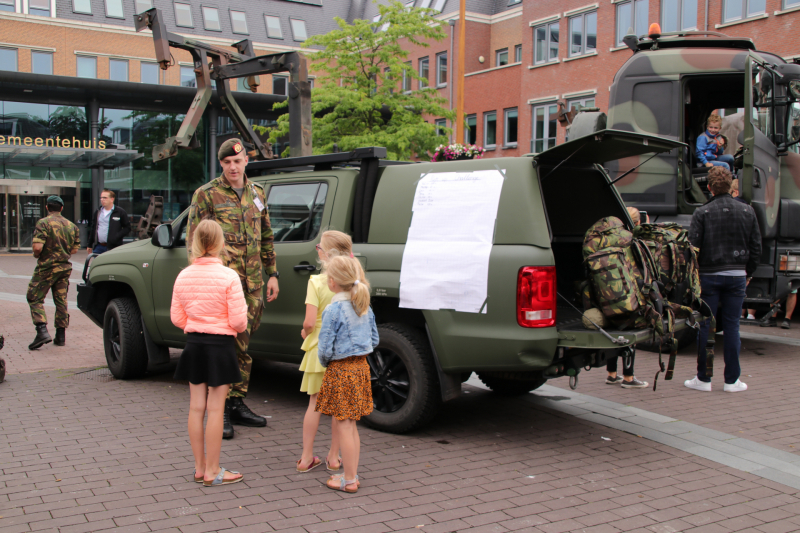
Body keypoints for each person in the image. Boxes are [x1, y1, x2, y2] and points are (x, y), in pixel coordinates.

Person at [186, 138, 279, 439]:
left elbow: (266, 235)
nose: (232, 167)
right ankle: (221, 409)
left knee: (244, 343)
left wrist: (273, 273)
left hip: (252, 282)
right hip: (222, 282)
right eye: (227, 162)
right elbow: (194, 240)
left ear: (246, 162)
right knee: (224, 345)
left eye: (237, 162)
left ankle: (237, 402)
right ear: (222, 164)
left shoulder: (257, 193)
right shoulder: (206, 194)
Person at [171, 219, 247, 486]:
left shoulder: (184, 275)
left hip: (194, 344)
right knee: (216, 410)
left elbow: (176, 317)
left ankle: (200, 468)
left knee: (195, 408)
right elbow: (239, 322)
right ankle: (214, 470)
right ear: (219, 243)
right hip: (220, 346)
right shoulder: (228, 276)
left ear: (195, 243)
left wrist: (195, 324)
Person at [686, 166, 761, 393]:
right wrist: (748, 272)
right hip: (737, 275)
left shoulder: (702, 213)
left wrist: (695, 276)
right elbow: (756, 247)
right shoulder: (747, 211)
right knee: (732, 327)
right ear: (731, 187)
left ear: (709, 188)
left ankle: (704, 378)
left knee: (706, 327)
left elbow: (693, 249)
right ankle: (732, 380)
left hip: (709, 276)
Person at [315, 256, 379, 493]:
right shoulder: (363, 305)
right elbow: (374, 339)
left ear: (332, 282)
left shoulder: (333, 309)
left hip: (341, 371)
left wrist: (325, 362)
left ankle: (349, 479)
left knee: (343, 426)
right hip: (361, 368)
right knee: (351, 425)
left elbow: (324, 348)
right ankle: (351, 473)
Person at [297, 231, 353, 473]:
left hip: (318, 347)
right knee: (339, 407)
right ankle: (333, 457)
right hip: (343, 350)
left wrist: (305, 332)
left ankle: (306, 457)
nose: (316, 250)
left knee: (314, 403)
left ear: (326, 255)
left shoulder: (316, 282)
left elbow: (310, 321)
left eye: (319, 247)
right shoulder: (353, 281)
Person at [27, 195, 80, 350]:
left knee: (34, 297)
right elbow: (75, 249)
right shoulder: (71, 226)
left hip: (47, 267)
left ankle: (41, 330)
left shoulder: (43, 223)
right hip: (64, 268)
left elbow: (37, 247)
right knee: (61, 300)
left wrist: (38, 255)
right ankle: (61, 335)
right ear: (61, 208)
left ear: (47, 207)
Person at [605, 206, 648, 388]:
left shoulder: (611, 240)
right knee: (628, 335)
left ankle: (611, 374)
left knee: (613, 333)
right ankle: (629, 377)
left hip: (609, 292)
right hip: (628, 292)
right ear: (637, 223)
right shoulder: (633, 242)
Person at [86, 189, 130, 254]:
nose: (102, 200)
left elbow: (127, 228)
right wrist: (89, 244)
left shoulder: (119, 212)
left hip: (114, 248)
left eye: (105, 198)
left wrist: (116, 236)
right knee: (97, 264)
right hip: (99, 246)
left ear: (112, 199)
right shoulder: (98, 212)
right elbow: (93, 228)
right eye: (101, 198)